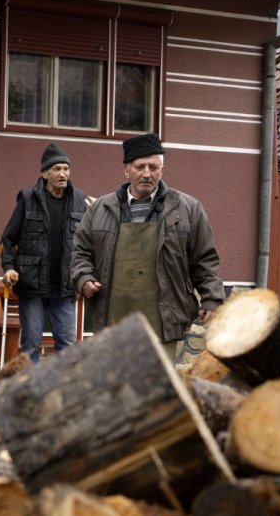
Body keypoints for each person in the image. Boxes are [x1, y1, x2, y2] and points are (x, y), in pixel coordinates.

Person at [71, 133, 224, 358]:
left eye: (153, 167)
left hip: (163, 321)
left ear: (162, 170)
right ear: (126, 170)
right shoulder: (100, 208)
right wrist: (83, 278)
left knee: (159, 379)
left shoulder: (188, 209)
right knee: (114, 378)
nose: (146, 174)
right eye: (139, 167)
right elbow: (80, 251)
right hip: (111, 320)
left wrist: (211, 298)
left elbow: (204, 258)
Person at [0, 143, 89, 362]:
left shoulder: (80, 199)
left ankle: (63, 383)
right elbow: (8, 240)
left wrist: (85, 275)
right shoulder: (28, 198)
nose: (62, 174)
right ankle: (30, 383)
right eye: (57, 169)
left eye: (66, 168)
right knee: (31, 342)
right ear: (44, 173)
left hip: (64, 286)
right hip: (32, 284)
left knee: (67, 343)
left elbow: (88, 243)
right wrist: (9, 268)